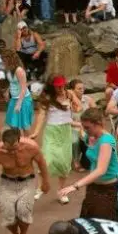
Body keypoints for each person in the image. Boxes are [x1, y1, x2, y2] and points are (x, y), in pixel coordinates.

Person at [58, 108, 118, 230]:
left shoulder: (106, 141)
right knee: (89, 219)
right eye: (84, 127)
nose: (85, 130)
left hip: (110, 189)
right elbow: (81, 130)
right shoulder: (89, 136)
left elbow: (101, 170)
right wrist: (69, 122)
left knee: (111, 223)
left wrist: (75, 186)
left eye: (88, 127)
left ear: (98, 124)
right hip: (94, 187)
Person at [0, 128, 47, 234]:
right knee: (7, 214)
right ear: (3, 143)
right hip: (7, 183)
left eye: (14, 148)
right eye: (8, 149)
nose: (12, 152)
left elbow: (41, 163)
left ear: (19, 140)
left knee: (23, 210)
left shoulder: (31, 147)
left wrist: (45, 182)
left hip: (27, 181)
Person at [30, 75, 80, 204]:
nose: (60, 87)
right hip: (51, 131)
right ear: (52, 86)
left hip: (65, 131)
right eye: (57, 85)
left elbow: (78, 107)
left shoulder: (69, 94)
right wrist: (36, 132)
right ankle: (41, 187)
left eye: (62, 84)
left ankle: (62, 192)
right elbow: (41, 115)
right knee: (47, 159)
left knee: (64, 163)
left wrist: (75, 104)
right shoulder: (47, 98)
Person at [2, 50, 34, 133]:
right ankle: (18, 142)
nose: (3, 62)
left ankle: (29, 144)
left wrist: (19, 104)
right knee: (13, 124)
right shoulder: (8, 69)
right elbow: (12, 83)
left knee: (25, 126)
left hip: (23, 99)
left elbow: (23, 87)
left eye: (5, 60)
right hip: (14, 98)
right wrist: (7, 91)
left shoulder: (19, 70)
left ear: (11, 59)